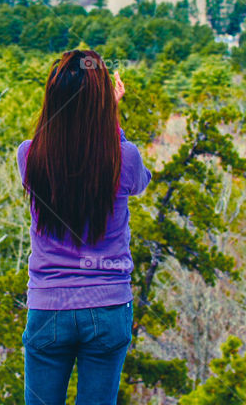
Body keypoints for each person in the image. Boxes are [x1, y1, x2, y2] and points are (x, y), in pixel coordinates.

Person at [17, 49, 152, 404]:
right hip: (107, 307)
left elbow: (67, 143)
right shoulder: (124, 158)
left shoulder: (30, 155)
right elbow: (139, 182)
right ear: (104, 103)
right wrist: (113, 117)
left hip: (48, 307)